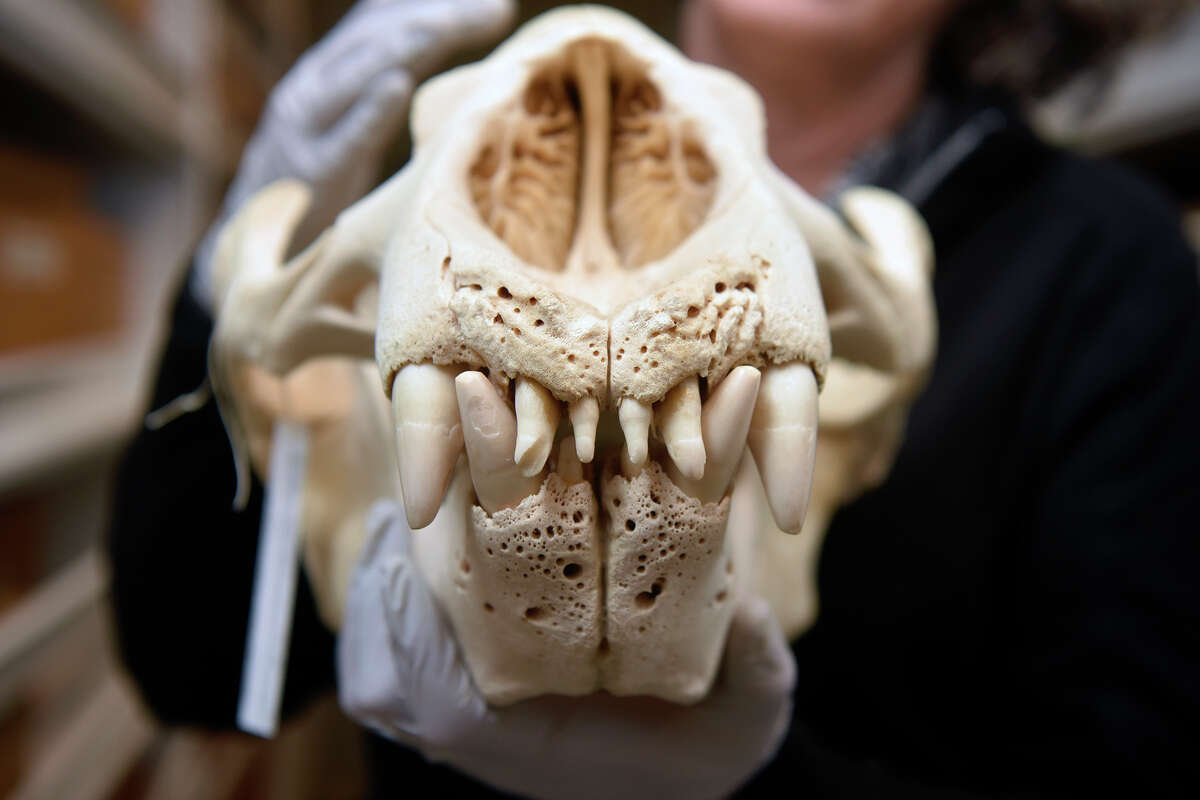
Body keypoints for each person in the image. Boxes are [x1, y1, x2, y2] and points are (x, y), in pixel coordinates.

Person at [107, 0, 1200, 796]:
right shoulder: (431, 181)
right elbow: (189, 659)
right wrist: (232, 291)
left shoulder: (1111, 267)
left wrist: (757, 781)